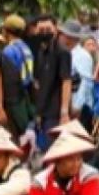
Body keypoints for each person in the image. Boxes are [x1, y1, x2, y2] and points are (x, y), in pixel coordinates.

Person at [31, 15, 73, 145]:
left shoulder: (62, 52)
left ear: (55, 29)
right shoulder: (40, 51)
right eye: (41, 29)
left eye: (47, 28)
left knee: (54, 148)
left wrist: (64, 112)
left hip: (56, 112)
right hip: (43, 111)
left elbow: (66, 81)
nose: (44, 32)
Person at [1, 14, 35, 135]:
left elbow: (7, 78)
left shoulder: (9, 50)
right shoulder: (26, 48)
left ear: (6, 31)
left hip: (14, 99)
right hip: (26, 96)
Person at [58, 20, 94, 129]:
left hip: (78, 107)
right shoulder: (64, 53)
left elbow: (85, 83)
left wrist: (76, 106)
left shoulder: (82, 56)